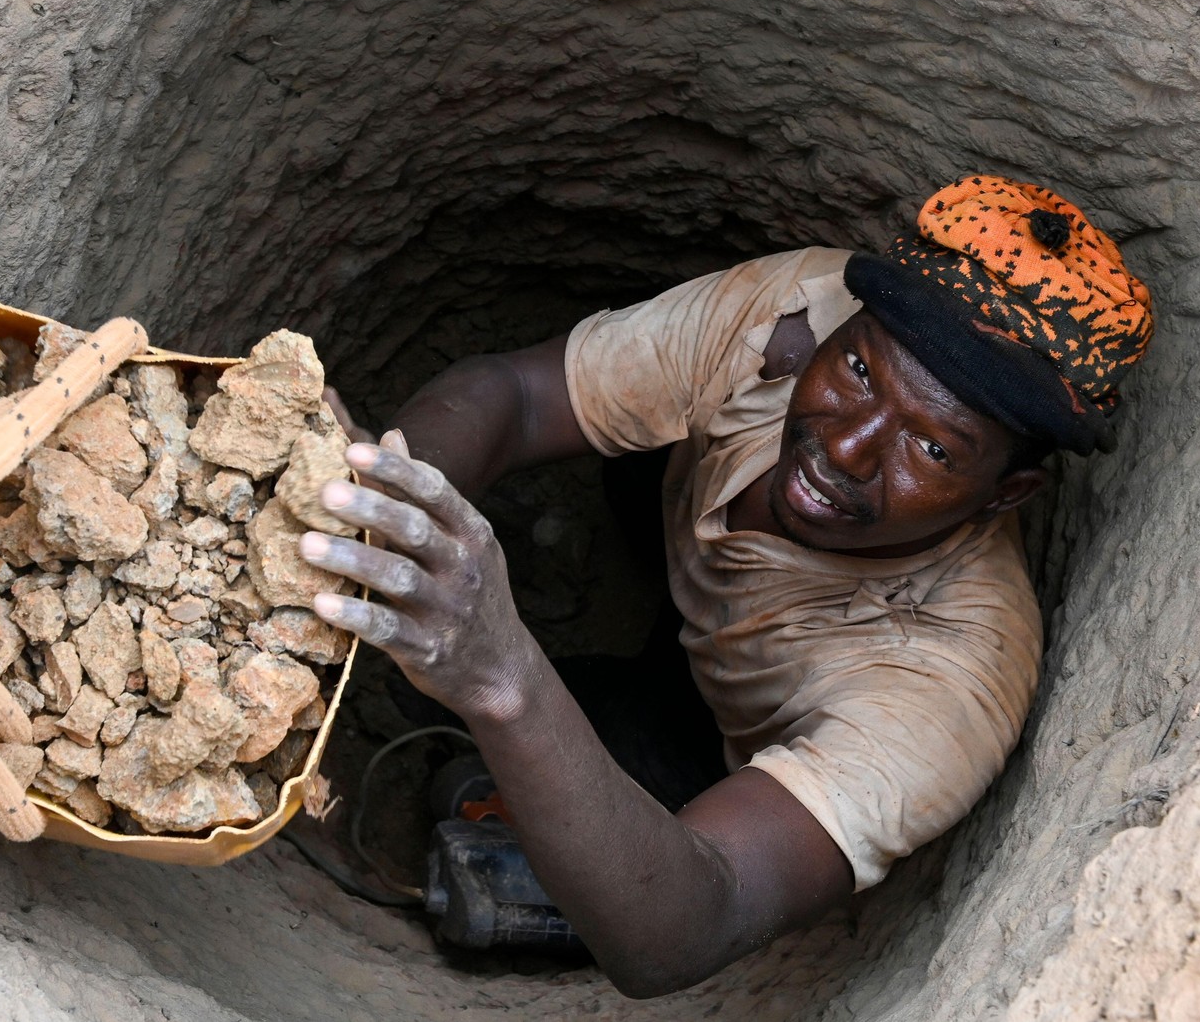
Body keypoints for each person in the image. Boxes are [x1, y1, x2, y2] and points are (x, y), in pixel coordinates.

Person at [298, 176, 1154, 998]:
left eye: (931, 450)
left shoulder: (948, 682)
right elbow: (517, 395)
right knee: (637, 459)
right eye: (857, 372)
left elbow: (689, 926)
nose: (850, 446)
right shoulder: (794, 314)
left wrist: (504, 677)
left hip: (720, 738)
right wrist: (387, 500)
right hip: (675, 535)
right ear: (843, 329)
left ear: (1007, 494)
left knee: (528, 765)